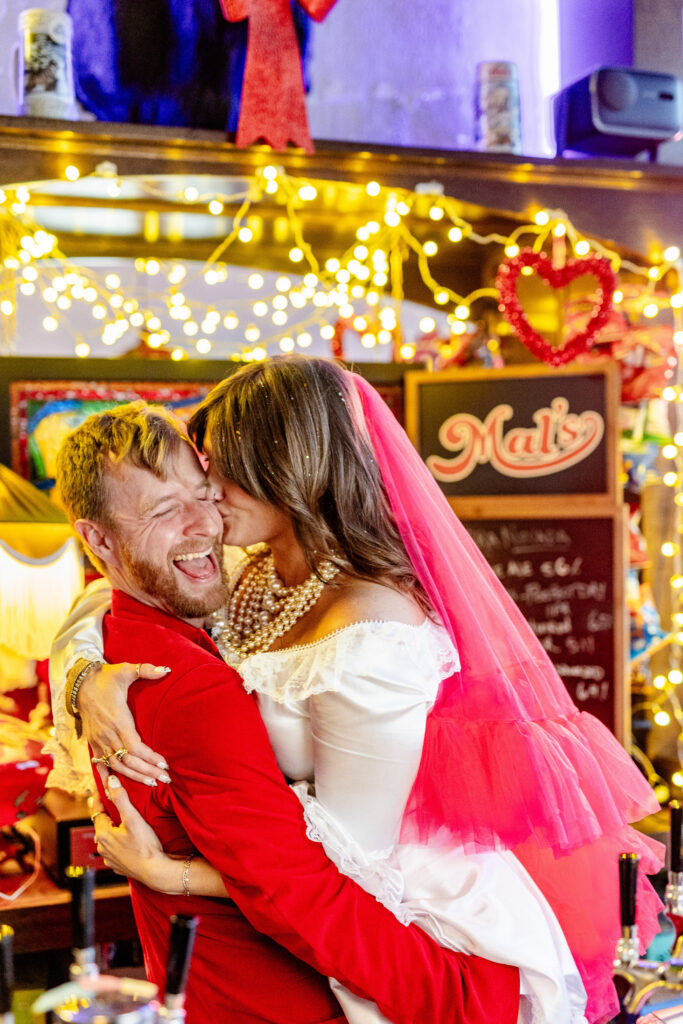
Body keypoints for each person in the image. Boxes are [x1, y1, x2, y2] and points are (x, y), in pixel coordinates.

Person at [50, 357, 664, 1024]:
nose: (211, 501)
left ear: (290, 470)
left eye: (219, 475)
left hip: (405, 912)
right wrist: (85, 678)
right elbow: (113, 586)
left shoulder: (371, 631)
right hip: (296, 899)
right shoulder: (256, 569)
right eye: (202, 477)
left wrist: (172, 874)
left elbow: (348, 863)